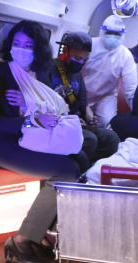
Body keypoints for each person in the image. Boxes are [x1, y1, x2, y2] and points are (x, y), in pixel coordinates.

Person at [0, 20, 80, 263]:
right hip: (1, 141)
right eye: (16, 44)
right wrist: (30, 116)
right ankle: (21, 239)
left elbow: (54, 106)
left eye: (28, 45)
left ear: (38, 50)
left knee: (81, 158)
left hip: (33, 137)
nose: (21, 49)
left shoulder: (40, 74)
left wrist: (33, 111)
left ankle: (47, 229)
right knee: (66, 171)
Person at [47, 31, 120, 170]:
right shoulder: (48, 69)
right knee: (89, 140)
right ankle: (74, 170)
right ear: (65, 51)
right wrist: (68, 119)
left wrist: (91, 120)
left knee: (111, 139)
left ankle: (91, 168)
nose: (80, 63)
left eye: (84, 60)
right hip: (56, 123)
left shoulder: (78, 75)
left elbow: (83, 104)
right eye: (77, 58)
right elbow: (43, 105)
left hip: (75, 121)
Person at [82, 15, 138, 127]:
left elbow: (131, 89)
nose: (113, 37)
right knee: (78, 122)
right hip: (83, 94)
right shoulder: (89, 46)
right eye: (109, 33)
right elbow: (75, 73)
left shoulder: (125, 55)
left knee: (107, 122)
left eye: (117, 34)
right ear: (102, 31)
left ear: (123, 35)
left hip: (106, 96)